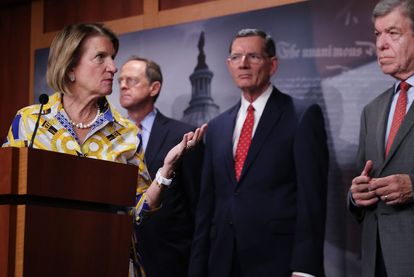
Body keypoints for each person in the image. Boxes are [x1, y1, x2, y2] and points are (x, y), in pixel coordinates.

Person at [1, 23, 206, 277]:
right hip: (40, 261)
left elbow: (137, 213)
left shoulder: (126, 132)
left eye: (113, 57)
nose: (113, 67)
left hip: (110, 263)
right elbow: (5, 198)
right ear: (70, 67)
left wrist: (166, 170)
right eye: (101, 57)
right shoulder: (30, 121)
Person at [188, 28, 328, 277]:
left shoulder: (302, 116)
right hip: (222, 262)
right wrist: (197, 268)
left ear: (272, 65)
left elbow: (312, 200)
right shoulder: (218, 126)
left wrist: (305, 268)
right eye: (236, 57)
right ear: (228, 64)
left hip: (277, 262)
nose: (243, 64)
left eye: (253, 56)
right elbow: (206, 207)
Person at [118, 56, 204, 277]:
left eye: (132, 80)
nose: (123, 86)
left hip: (170, 260)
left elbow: (197, 204)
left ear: (154, 88)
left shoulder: (182, 135)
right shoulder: (111, 135)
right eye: (120, 81)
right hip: (118, 256)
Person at [349, 0, 414, 276]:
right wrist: (355, 196)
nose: (380, 44)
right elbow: (360, 180)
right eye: (377, 34)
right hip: (376, 263)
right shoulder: (371, 110)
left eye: (393, 33)